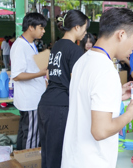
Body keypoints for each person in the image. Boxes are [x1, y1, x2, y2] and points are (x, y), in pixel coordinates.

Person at [61, 8, 133, 167]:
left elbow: (86, 100)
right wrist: (130, 115)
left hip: (74, 158)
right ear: (121, 35)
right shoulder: (106, 70)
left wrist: (116, 95)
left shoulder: (83, 60)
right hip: (92, 161)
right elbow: (101, 131)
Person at [38, 10, 89, 168]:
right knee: (58, 155)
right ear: (76, 27)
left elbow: (48, 73)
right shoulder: (75, 50)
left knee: (48, 152)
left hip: (46, 103)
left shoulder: (57, 45)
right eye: (85, 29)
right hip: (60, 106)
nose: (85, 33)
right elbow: (77, 82)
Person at [10, 13, 47, 150]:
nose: (43, 31)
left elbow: (30, 68)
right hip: (30, 100)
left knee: (24, 133)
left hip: (33, 97)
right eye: (41, 28)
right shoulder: (20, 46)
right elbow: (17, 75)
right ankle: (28, 162)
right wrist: (41, 73)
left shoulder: (30, 44)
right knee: (31, 136)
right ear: (31, 27)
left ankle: (20, 161)